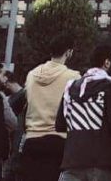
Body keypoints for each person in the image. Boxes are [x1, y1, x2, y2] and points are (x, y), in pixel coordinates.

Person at [56, 44, 111, 181]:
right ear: (107, 62)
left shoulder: (71, 88)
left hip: (72, 161)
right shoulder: (110, 87)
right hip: (101, 162)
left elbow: (60, 125)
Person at [19, 34, 81, 181]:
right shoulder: (73, 77)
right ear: (69, 52)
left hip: (32, 139)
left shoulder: (31, 75)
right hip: (59, 141)